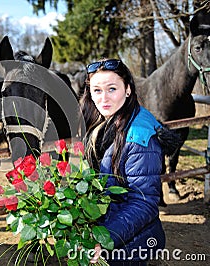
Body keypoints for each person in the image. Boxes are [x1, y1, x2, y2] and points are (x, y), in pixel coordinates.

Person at [81, 58, 178, 265]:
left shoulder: (139, 136)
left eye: (112, 88)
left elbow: (143, 202)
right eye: (97, 90)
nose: (103, 98)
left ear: (128, 90)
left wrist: (104, 238)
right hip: (117, 231)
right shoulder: (103, 124)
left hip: (133, 242)